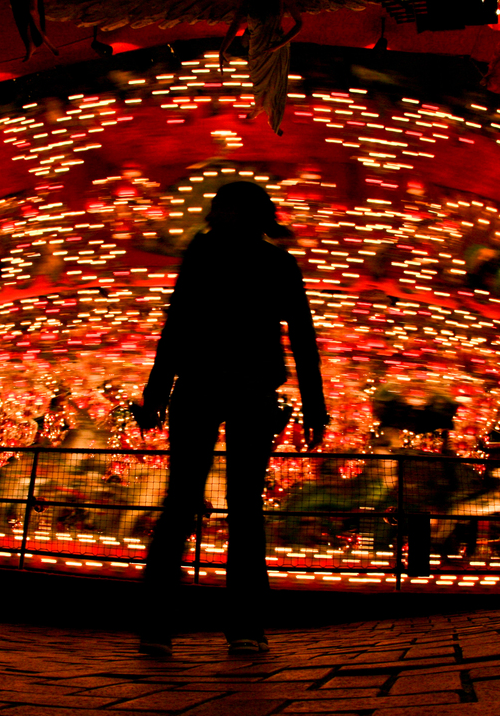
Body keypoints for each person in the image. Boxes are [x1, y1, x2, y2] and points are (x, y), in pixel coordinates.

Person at [135, 180, 328, 655]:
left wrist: (157, 393)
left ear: (239, 213)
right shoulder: (277, 264)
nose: (217, 214)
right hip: (249, 387)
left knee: (185, 501)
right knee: (242, 507)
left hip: (203, 385)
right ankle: (243, 626)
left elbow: (176, 327)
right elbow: (301, 338)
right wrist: (314, 406)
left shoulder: (203, 258)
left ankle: (159, 624)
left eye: (225, 207)